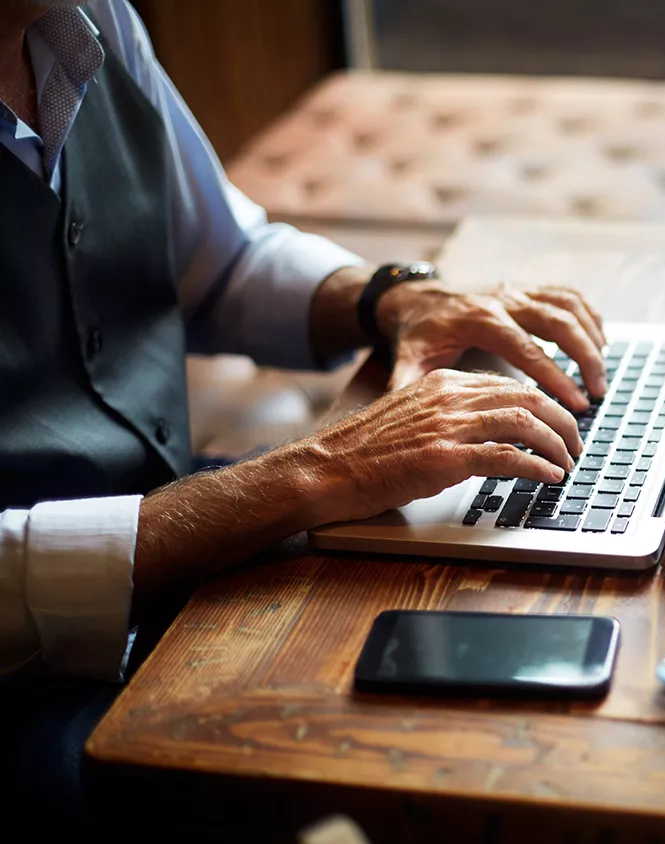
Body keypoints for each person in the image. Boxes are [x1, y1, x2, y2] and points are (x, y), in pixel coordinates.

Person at [0, 0, 606, 831]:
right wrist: (314, 471)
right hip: (27, 699)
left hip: (183, 537)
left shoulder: (89, 19)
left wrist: (396, 297)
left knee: (498, 660)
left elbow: (224, 262)